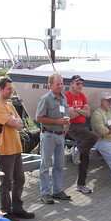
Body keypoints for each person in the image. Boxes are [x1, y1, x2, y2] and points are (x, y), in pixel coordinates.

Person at [0, 77, 35, 221]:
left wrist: (15, 122)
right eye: (9, 89)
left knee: (20, 179)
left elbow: (19, 123)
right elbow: (11, 122)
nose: (11, 91)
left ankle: (17, 208)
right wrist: (15, 122)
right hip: (4, 150)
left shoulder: (9, 105)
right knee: (6, 182)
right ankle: (6, 211)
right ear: (0, 89)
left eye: (12, 89)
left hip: (15, 148)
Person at [36, 72, 72, 204]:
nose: (60, 86)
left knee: (59, 164)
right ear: (50, 85)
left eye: (62, 83)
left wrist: (66, 126)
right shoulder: (45, 99)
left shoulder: (64, 98)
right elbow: (39, 118)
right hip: (49, 134)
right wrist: (58, 122)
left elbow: (66, 116)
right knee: (45, 164)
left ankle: (57, 190)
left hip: (60, 135)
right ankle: (45, 193)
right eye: (58, 84)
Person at [65, 75, 99, 194]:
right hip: (73, 127)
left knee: (85, 157)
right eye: (77, 84)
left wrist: (77, 110)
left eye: (81, 84)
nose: (80, 86)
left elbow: (88, 113)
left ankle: (80, 184)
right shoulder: (67, 96)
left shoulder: (82, 96)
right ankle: (76, 149)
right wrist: (81, 111)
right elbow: (70, 115)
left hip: (82, 127)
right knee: (94, 137)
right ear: (71, 85)